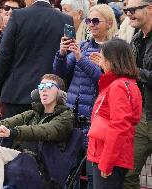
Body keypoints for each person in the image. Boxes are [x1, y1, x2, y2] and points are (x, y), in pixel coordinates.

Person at [53, 4, 118, 188]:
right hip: (73, 117)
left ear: (109, 23)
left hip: (95, 122)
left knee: (92, 174)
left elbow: (103, 81)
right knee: (68, 171)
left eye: (96, 21)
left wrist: (81, 59)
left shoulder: (114, 50)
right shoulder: (82, 45)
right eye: (89, 20)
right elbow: (61, 74)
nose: (91, 24)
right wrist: (61, 54)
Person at [0, 0, 73, 119]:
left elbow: (4, 56)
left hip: (17, 94)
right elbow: (69, 59)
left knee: (13, 135)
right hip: (51, 95)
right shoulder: (66, 20)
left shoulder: (18, 16)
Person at [87, 38, 142, 189]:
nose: (102, 62)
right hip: (113, 155)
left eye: (104, 59)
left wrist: (106, 162)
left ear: (112, 60)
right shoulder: (127, 83)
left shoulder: (118, 86)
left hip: (108, 155)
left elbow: (119, 125)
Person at [123, 0, 152, 188]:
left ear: (150, 8)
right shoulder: (135, 37)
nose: (128, 14)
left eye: (133, 9)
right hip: (141, 117)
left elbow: (134, 71)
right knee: (127, 176)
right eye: (126, 10)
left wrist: (133, 71)